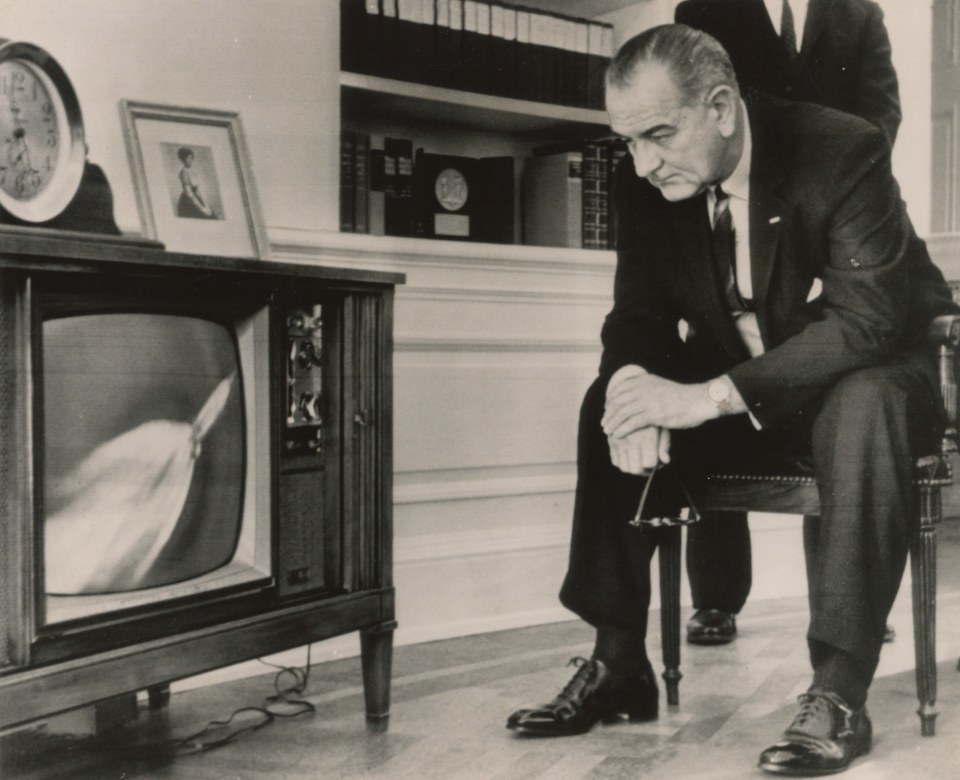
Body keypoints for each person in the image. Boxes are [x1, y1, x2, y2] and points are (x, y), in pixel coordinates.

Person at [505, 24, 955, 777]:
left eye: (657, 135)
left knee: (863, 402)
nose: (642, 164)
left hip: (879, 370)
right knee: (610, 399)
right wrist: (631, 392)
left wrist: (706, 397)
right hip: (761, 382)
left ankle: (839, 691)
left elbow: (866, 325)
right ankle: (619, 663)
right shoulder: (646, 176)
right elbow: (637, 319)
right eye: (627, 142)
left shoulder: (841, 148)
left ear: (720, 107)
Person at [673, 0, 903, 647]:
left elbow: (882, 114)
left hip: (835, 213)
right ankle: (715, 598)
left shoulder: (859, 13)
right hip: (738, 220)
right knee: (719, 378)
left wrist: (836, 182)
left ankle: (847, 602)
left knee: (835, 389)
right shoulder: (703, 6)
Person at [176, 146, 217, 219]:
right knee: (205, 216)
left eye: (191, 158)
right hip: (188, 202)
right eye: (188, 158)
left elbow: (197, 190)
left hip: (196, 198)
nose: (191, 160)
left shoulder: (192, 171)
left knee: (211, 214)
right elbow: (190, 194)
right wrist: (202, 209)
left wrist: (205, 205)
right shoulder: (184, 172)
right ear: (183, 159)